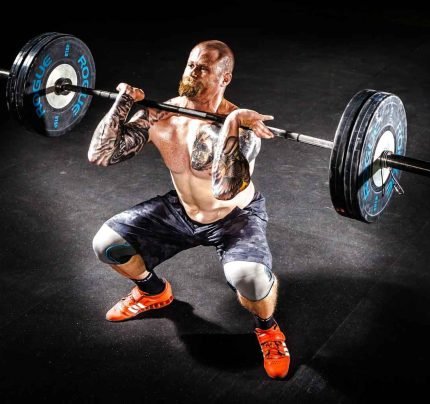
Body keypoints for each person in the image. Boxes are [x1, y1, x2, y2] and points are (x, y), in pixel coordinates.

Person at [88, 40, 290, 379]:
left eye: (203, 68)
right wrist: (123, 103)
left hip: (233, 217)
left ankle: (268, 329)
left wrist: (232, 123)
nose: (193, 72)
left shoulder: (243, 127)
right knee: (107, 245)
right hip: (181, 209)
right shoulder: (161, 115)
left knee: (250, 280)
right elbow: (101, 154)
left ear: (225, 78)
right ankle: (153, 292)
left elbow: (225, 190)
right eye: (190, 65)